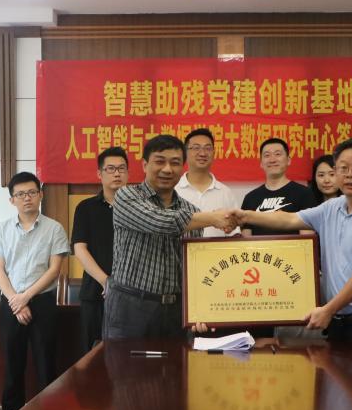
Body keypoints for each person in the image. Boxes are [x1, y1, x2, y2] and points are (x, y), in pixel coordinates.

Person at [235, 138, 352, 341]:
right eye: (343, 168)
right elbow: (289, 219)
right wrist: (244, 216)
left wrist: (328, 309)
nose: (349, 175)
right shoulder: (332, 207)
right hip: (339, 319)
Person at [103, 134, 236, 339]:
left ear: (182, 167)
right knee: (124, 361)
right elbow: (161, 222)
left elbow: (193, 267)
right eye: (159, 161)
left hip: (176, 310)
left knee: (177, 361)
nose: (167, 169)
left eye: (175, 163)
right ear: (145, 165)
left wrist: (200, 309)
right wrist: (213, 218)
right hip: (130, 306)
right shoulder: (127, 196)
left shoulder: (191, 211)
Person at [0, 172, 69, 410]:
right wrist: (16, 300)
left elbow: (54, 270)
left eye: (32, 192)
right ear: (12, 200)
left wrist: (26, 297)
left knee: (46, 361)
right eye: (20, 194)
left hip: (42, 302)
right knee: (13, 361)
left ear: (40, 195)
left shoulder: (54, 229)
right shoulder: (2, 230)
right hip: (10, 302)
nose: (27, 198)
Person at [72, 146, 128, 350]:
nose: (117, 173)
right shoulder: (85, 208)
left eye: (121, 168)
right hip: (94, 293)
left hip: (130, 294)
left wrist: (119, 284)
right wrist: (107, 282)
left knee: (126, 354)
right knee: (91, 353)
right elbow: (80, 249)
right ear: (99, 174)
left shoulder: (139, 209)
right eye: (111, 169)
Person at [241, 138, 316, 236]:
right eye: (267, 155)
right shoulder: (250, 198)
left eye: (277, 154)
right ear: (261, 163)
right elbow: (246, 240)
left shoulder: (304, 194)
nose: (272, 160)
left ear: (288, 160)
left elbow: (307, 239)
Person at [175, 128, 240, 237]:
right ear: (185, 153)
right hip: (179, 249)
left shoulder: (226, 193)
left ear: (214, 153)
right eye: (196, 148)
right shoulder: (173, 190)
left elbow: (234, 233)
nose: (202, 153)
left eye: (208, 148)